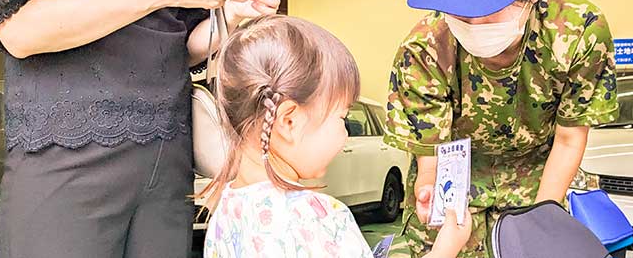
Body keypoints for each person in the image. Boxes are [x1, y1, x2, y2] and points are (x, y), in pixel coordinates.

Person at [0, 0, 281, 257]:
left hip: (167, 161)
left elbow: (177, 46)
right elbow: (20, 31)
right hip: (69, 157)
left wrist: (230, 14)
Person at [384, 0, 619, 256]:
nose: (471, 22)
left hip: (539, 179)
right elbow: (431, 153)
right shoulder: (424, 48)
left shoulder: (578, 32)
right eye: (459, 7)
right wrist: (428, 188)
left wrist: (540, 223)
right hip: (455, 189)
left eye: (487, 7)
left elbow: (568, 139)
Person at [199, 15, 472, 257]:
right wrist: (444, 250)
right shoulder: (319, 217)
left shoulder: (225, 208)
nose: (344, 135)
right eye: (342, 117)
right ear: (289, 121)